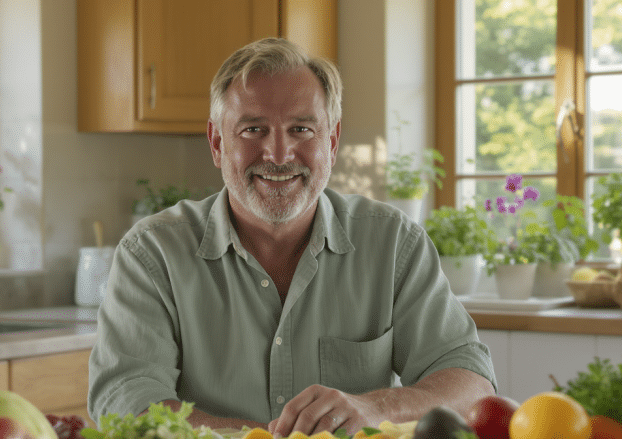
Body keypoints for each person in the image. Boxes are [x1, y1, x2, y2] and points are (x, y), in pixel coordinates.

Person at [88, 37, 496, 436]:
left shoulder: (394, 244)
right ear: (216, 142)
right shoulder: (151, 254)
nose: (279, 155)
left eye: (301, 129)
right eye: (252, 130)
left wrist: (374, 407)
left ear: (332, 142)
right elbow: (127, 402)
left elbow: (471, 384)